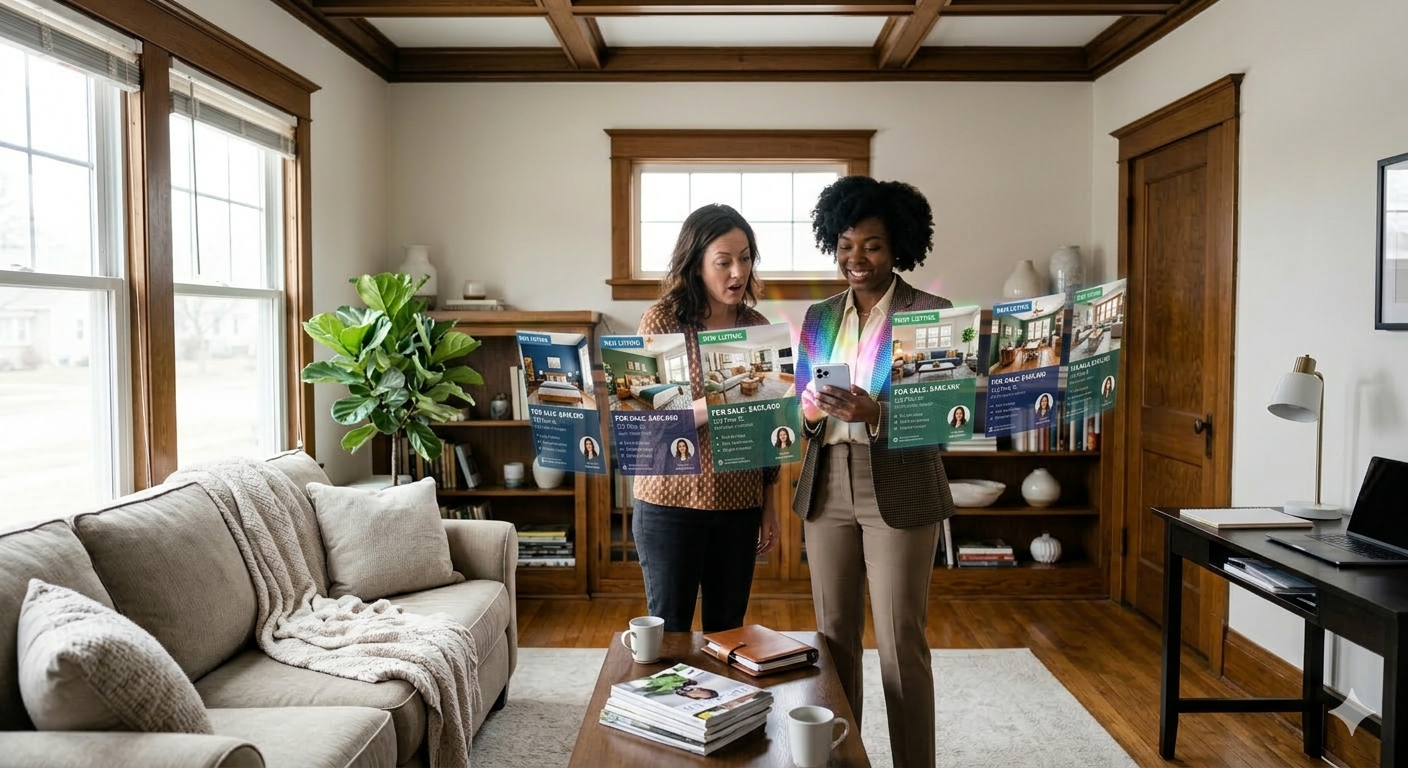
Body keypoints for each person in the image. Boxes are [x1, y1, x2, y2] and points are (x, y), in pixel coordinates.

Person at [793, 176, 954, 768]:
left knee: (900, 643)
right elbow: (802, 411)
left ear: (898, 247)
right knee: (834, 641)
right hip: (827, 483)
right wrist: (809, 412)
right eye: (845, 245)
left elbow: (945, 418)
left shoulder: (931, 314)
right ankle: (843, 760)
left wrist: (876, 412)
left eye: (872, 246)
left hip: (901, 483)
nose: (855, 258)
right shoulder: (819, 317)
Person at [632, 203, 781, 633]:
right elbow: (648, 425)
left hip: (739, 504)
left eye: (746, 258)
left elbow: (767, 429)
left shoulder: (756, 326)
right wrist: (715, 404)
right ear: (696, 263)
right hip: (669, 502)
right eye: (724, 261)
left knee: (728, 632)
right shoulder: (663, 320)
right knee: (670, 633)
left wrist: (768, 506)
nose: (738, 272)